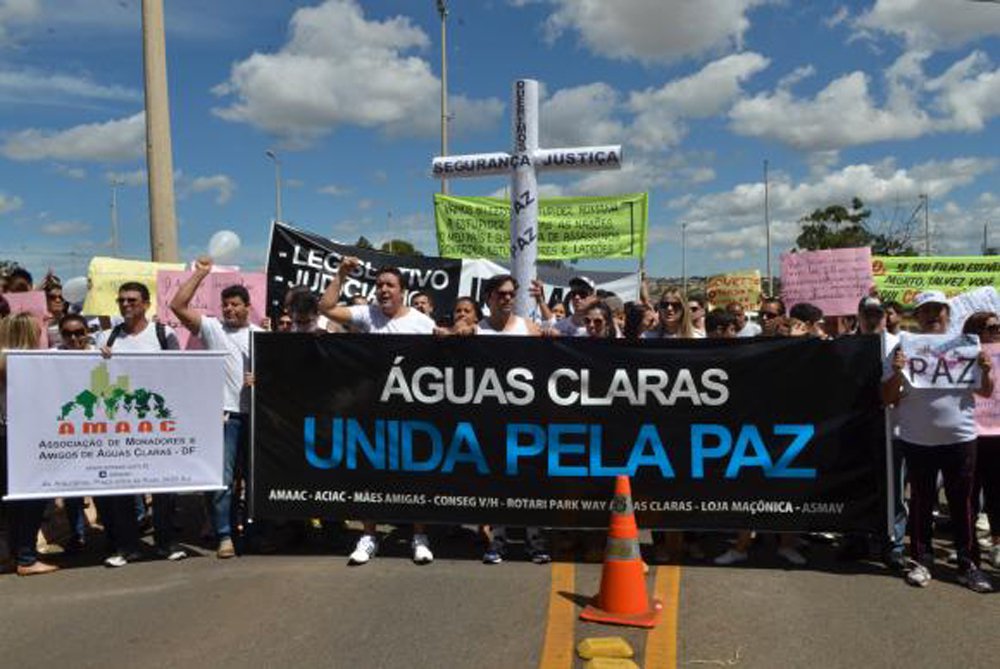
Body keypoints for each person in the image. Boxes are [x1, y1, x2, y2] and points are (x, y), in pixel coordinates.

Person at [319, 257, 436, 565]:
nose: (383, 290)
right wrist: (341, 275)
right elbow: (326, 308)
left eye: (390, 285)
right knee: (369, 473)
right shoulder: (366, 314)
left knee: (414, 474)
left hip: (410, 411)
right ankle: (369, 536)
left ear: (402, 291)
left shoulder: (421, 323)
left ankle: (419, 537)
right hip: (371, 410)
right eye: (379, 285)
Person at [882, 291, 994, 592]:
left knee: (963, 503)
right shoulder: (902, 349)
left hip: (960, 437)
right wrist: (897, 372)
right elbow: (887, 398)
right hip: (917, 439)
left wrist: (985, 371)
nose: (932, 315)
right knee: (921, 500)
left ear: (947, 313)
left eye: (938, 309)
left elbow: (985, 391)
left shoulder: (966, 346)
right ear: (917, 317)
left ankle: (968, 565)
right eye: (925, 310)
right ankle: (921, 559)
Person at [170, 257, 262, 559]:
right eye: (225, 305)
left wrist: (261, 379)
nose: (229, 309)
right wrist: (200, 274)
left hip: (256, 417)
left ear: (248, 307)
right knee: (222, 479)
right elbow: (178, 305)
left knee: (255, 479)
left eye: (235, 304)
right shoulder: (212, 329)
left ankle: (252, 533)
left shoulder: (261, 336)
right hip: (224, 416)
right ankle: (225, 535)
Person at [95, 281, 186, 567]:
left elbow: (181, 373)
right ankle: (127, 547)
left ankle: (165, 542)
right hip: (121, 425)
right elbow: (96, 378)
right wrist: (100, 361)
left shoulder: (163, 334)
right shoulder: (106, 338)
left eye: (132, 300)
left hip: (156, 422)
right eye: (121, 300)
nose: (126, 305)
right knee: (123, 486)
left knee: (163, 487)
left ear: (146, 304)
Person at [476, 275, 550, 565]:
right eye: (500, 294)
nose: (507, 298)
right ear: (489, 298)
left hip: (526, 420)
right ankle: (497, 542)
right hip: (491, 420)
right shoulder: (478, 330)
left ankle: (536, 542)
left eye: (511, 294)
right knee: (497, 483)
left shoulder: (527, 328)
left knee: (531, 481)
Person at [0, 313, 59, 575]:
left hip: (8, 436)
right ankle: (26, 558)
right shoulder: (21, 363)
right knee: (33, 495)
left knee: (14, 500)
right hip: (19, 437)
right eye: (36, 332)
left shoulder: (6, 362)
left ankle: (17, 554)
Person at [963, 311, 1000, 569]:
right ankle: (968, 545)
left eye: (999, 327)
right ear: (976, 332)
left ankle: (997, 544)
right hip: (970, 431)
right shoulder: (962, 357)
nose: (997, 331)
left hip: (998, 433)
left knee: (997, 491)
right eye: (992, 327)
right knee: (969, 493)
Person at [56, 314, 94, 553]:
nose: (74, 338)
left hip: (98, 430)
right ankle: (77, 534)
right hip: (68, 432)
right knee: (71, 486)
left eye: (79, 333)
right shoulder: (52, 356)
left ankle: (115, 534)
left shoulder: (99, 354)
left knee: (103, 486)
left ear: (87, 332)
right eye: (67, 334)